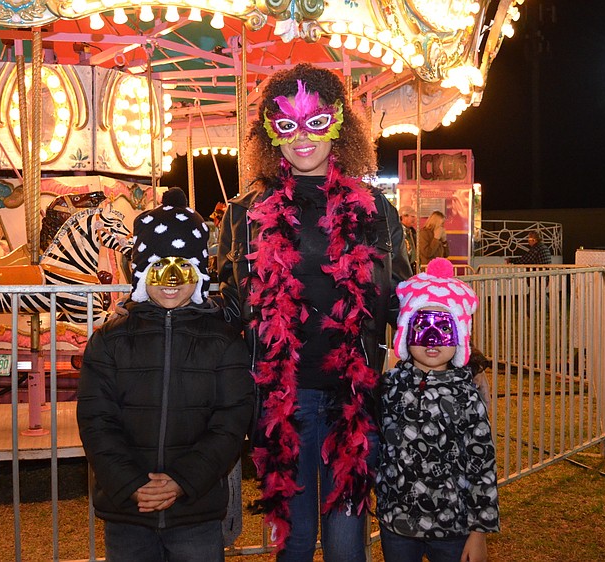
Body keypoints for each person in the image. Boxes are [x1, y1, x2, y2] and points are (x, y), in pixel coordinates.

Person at [216, 62, 412, 560]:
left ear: (340, 126)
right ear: (270, 133)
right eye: (286, 124)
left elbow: (404, 298)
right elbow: (225, 304)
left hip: (353, 396)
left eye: (317, 122)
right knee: (297, 541)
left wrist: (454, 347)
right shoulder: (245, 214)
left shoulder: (375, 209)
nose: (302, 137)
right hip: (286, 400)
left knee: (347, 544)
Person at [77, 200, 255, 561]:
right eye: (158, 267)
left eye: (183, 267)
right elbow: (96, 420)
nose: (171, 280)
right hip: (129, 511)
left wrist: (183, 480)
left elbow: (231, 422)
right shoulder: (109, 342)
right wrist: (130, 484)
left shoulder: (222, 343)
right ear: (142, 274)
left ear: (198, 274)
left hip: (196, 509)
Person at [376, 257, 499, 562]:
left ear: (459, 335)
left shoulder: (467, 394)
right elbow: (375, 444)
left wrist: (478, 532)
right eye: (422, 326)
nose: (432, 339)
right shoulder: (389, 387)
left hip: (453, 529)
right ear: (406, 332)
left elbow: (482, 463)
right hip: (397, 525)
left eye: (443, 328)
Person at [399, 205, 418, 272]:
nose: (414, 219)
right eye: (412, 216)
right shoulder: (397, 231)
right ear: (403, 217)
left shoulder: (412, 232)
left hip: (412, 265)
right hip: (402, 266)